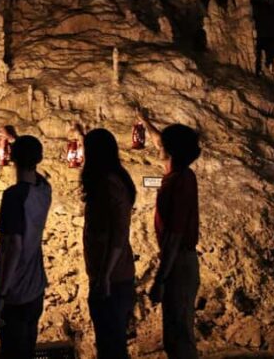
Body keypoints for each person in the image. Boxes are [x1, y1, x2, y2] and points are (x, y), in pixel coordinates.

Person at [137, 109, 202, 359]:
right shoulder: (182, 173)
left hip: (179, 262)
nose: (157, 145)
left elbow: (173, 236)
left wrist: (160, 278)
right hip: (181, 261)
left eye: (162, 144)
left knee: (179, 337)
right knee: (174, 333)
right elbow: (159, 140)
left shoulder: (177, 183)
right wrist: (146, 122)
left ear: (171, 150)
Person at [0, 135, 52, 359]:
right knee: (28, 348)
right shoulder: (44, 190)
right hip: (36, 287)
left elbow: (14, 248)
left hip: (15, 292)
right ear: (38, 159)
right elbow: (34, 173)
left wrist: (1, 296)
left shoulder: (13, 197)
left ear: (13, 158)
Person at [81, 129, 137, 359]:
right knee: (111, 342)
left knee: (111, 345)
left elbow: (118, 234)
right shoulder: (114, 180)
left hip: (113, 279)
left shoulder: (108, 185)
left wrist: (104, 275)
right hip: (112, 276)